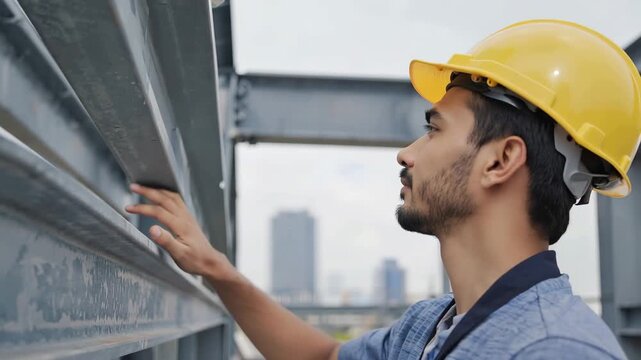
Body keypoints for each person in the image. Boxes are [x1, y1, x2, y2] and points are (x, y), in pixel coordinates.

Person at [125, 20, 641, 359]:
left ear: (501, 160)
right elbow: (325, 358)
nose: (406, 153)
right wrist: (217, 269)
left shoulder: (556, 351)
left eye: (435, 128)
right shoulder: (434, 326)